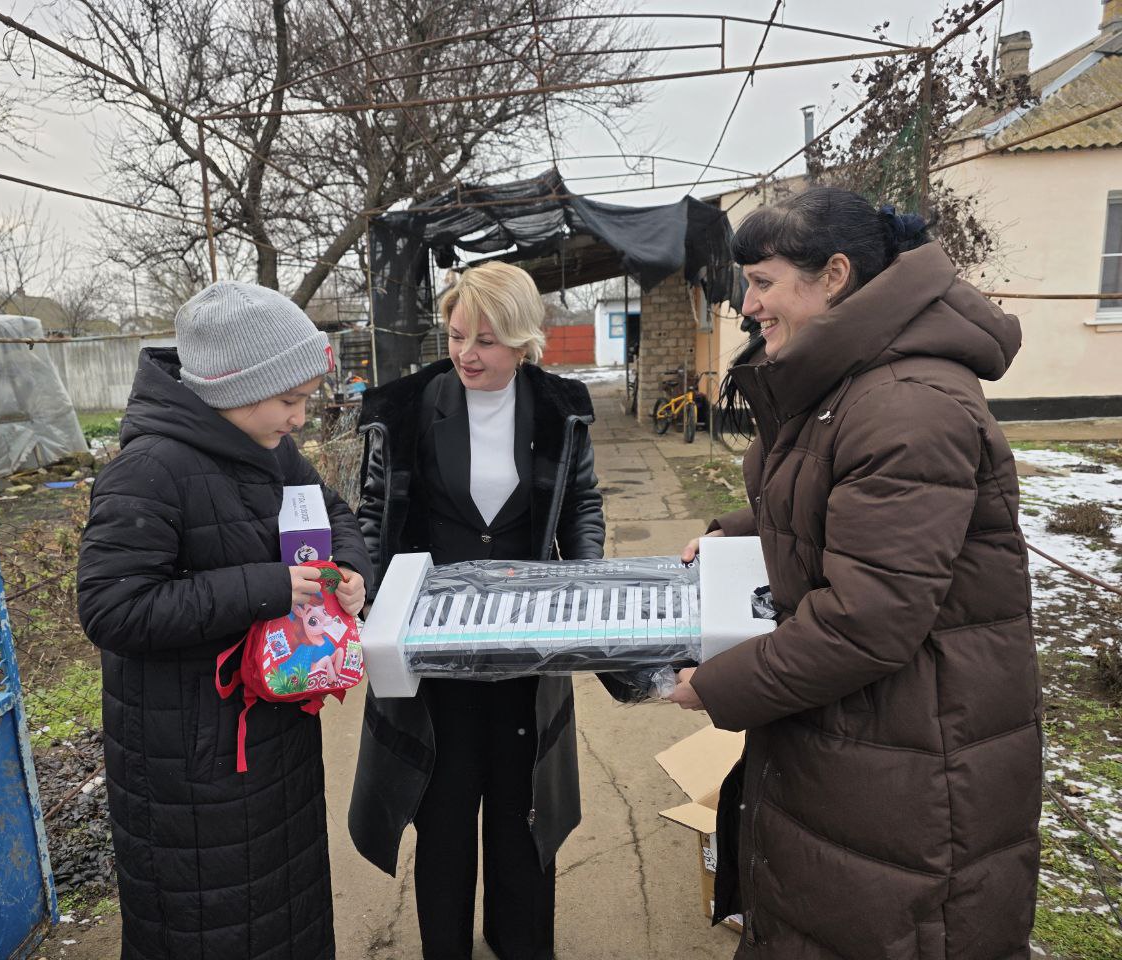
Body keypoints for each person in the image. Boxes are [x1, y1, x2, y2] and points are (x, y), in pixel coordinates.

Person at [668, 187, 1041, 959]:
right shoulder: (849, 381)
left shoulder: (907, 404)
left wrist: (718, 686)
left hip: (914, 765)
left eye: (764, 282)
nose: (747, 305)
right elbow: (842, 508)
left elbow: (868, 618)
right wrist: (741, 532)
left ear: (833, 275)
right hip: (865, 743)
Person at [77, 280, 373, 960]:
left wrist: (352, 574)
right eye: (289, 400)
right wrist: (269, 587)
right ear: (233, 390)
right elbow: (111, 607)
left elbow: (335, 517)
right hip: (190, 767)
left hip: (272, 738)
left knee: (285, 915)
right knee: (208, 927)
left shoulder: (270, 452)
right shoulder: (147, 470)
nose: (300, 418)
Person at [348, 261, 609, 960]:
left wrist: (584, 592)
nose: (468, 353)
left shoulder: (561, 408)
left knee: (523, 801)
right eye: (459, 335)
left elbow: (581, 506)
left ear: (524, 341)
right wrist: (366, 599)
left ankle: (520, 939)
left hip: (530, 641)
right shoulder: (406, 409)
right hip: (437, 647)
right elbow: (375, 510)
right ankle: (446, 947)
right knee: (446, 802)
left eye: (488, 341)